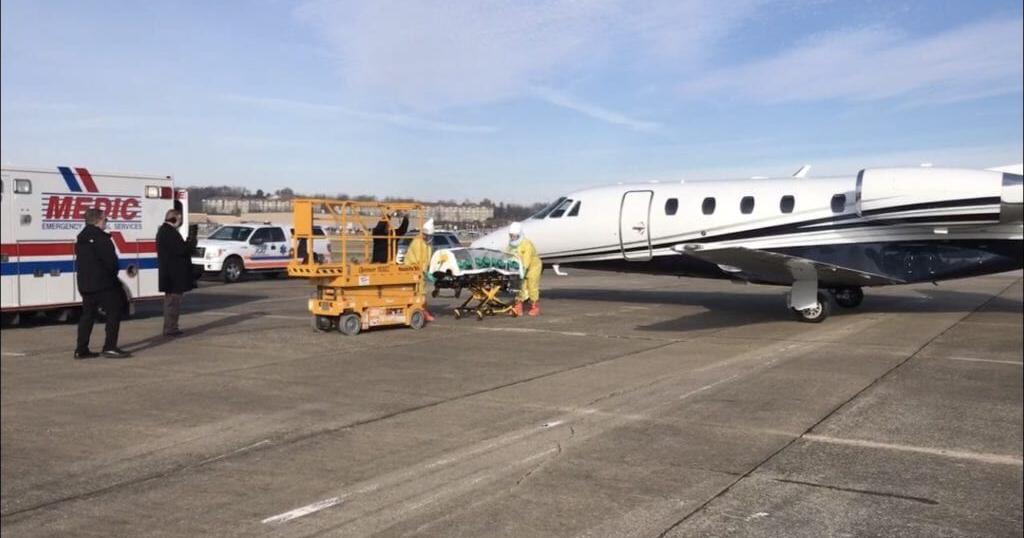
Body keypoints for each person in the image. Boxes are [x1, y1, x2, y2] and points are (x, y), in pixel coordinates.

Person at [74, 208, 131, 359]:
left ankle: (81, 348)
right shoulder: (101, 238)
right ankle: (110, 346)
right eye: (105, 220)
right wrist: (114, 276)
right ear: (98, 220)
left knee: (88, 315)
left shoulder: (81, 237)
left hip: (85, 284)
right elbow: (111, 262)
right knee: (114, 312)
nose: (106, 222)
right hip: (104, 284)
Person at [156, 209, 197, 336]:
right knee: (173, 303)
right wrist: (191, 241)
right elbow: (182, 250)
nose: (180, 222)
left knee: (172, 302)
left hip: (170, 274)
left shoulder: (165, 231)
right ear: (174, 219)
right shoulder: (169, 233)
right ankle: (171, 328)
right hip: (173, 275)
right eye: (179, 219)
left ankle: (171, 326)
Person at [402, 218, 435, 322]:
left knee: (421, 292)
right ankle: (422, 312)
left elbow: (426, 260)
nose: (430, 238)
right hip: (412, 270)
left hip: (419, 271)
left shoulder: (426, 244)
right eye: (429, 236)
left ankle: (423, 311)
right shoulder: (418, 242)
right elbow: (418, 260)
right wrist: (425, 272)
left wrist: (427, 271)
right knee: (419, 293)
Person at [507, 221, 542, 317]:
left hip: (533, 267)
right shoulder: (510, 245)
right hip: (519, 267)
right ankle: (518, 307)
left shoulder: (527, 244)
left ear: (519, 234)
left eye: (515, 236)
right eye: (511, 235)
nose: (513, 237)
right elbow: (507, 255)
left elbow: (527, 258)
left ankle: (535, 307)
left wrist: (524, 268)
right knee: (519, 287)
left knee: (532, 286)